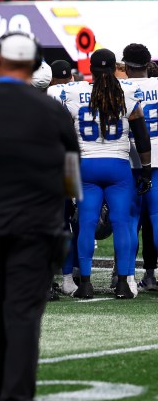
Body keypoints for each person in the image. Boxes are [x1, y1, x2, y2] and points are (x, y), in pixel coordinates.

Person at [0, 32, 81, 401]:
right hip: (35, 224)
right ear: (32, 66)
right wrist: (67, 205)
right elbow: (71, 168)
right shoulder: (50, 109)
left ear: (0, 62)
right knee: (23, 313)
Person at [58, 48, 150, 299]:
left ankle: (85, 284)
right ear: (113, 68)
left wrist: (69, 178)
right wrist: (146, 170)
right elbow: (141, 136)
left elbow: (65, 140)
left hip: (86, 166)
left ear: (91, 69)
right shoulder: (127, 92)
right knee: (122, 223)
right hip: (118, 166)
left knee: (86, 223)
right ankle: (123, 283)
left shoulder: (74, 93)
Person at [121, 44, 158, 292]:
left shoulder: (121, 87)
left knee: (130, 220)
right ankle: (151, 276)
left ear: (126, 65)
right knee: (156, 218)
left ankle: (125, 277)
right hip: (157, 158)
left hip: (130, 159)